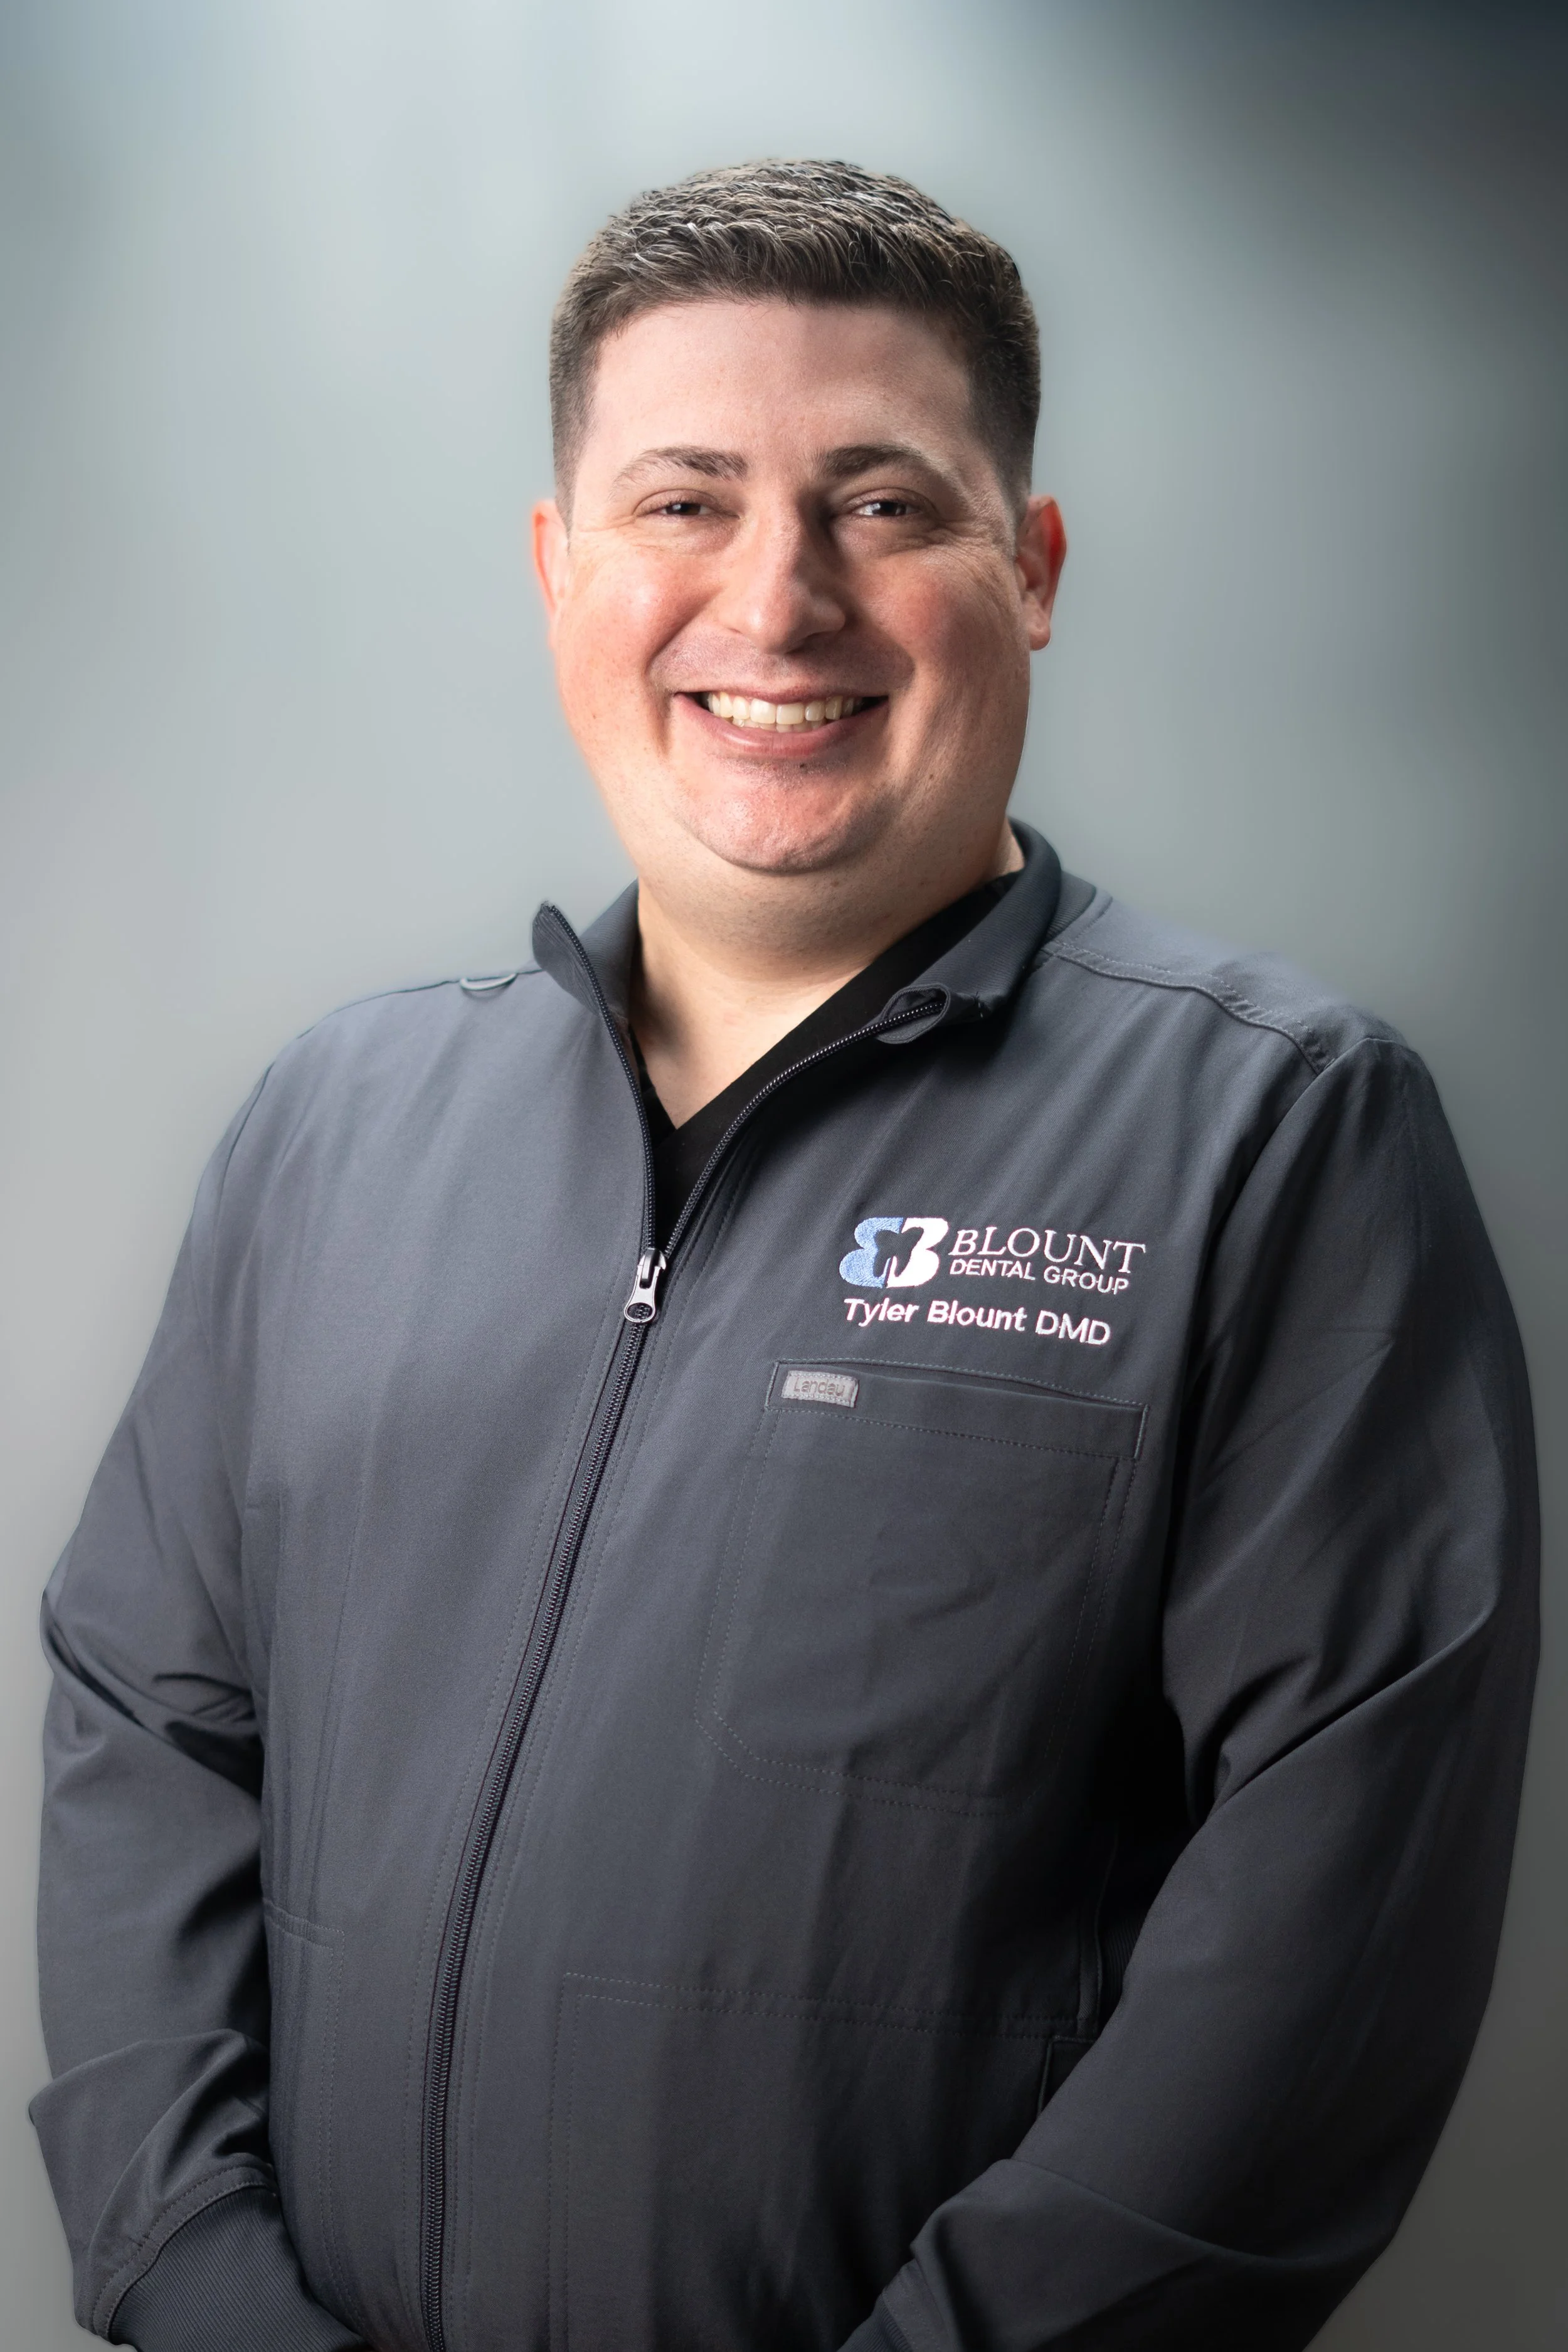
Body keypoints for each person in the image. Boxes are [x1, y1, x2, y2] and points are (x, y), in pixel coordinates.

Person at [33, 159, 1537, 2352]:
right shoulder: (332, 1133)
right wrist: (200, 2291)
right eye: (682, 504)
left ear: (1028, 572)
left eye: (881, 504)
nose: (777, 601)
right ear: (558, 574)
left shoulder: (1278, 1140)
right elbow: (145, 1729)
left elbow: (1326, 1947)